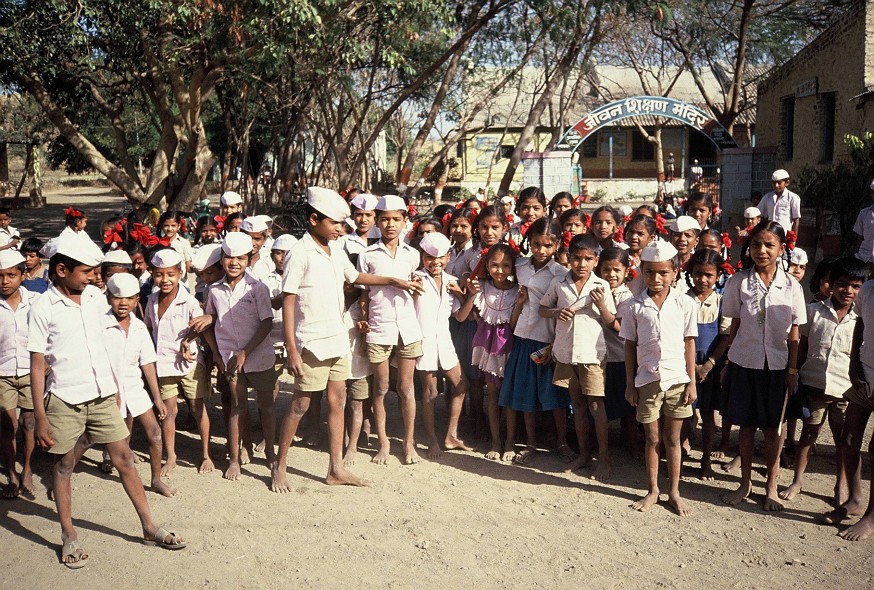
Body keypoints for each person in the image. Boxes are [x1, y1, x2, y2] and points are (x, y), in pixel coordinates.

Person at [28, 236, 186, 568]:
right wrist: (40, 416)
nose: (92, 278)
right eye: (86, 272)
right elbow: (38, 364)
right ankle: (69, 535)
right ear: (61, 270)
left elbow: (113, 336)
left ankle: (148, 526)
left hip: (101, 395)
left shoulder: (94, 299)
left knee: (125, 459)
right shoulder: (43, 307)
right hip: (65, 398)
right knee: (64, 465)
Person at [272, 187, 422, 492]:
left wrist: (394, 280)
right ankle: (280, 464)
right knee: (300, 404)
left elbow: (355, 278)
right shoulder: (299, 253)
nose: (342, 229)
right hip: (311, 341)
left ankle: (335, 469)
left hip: (337, 337)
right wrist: (292, 349)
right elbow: (288, 301)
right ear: (314, 219)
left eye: (343, 224)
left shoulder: (335, 249)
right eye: (336, 224)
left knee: (338, 401)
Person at [721, 220, 806, 511]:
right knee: (745, 427)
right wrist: (729, 360)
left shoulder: (791, 286)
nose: (762, 250)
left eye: (770, 245)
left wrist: (792, 371)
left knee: (773, 430)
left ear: (782, 249)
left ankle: (770, 486)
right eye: (756, 244)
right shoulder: (738, 282)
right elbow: (734, 323)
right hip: (745, 363)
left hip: (778, 366)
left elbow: (795, 333)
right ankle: (745, 483)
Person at [779, 257, 865, 505]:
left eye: (855, 286)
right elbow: (802, 345)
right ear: (831, 284)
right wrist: (793, 373)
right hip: (814, 384)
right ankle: (797, 481)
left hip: (845, 390)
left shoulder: (861, 319)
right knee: (809, 435)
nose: (848, 291)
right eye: (842, 284)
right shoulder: (814, 311)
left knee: (843, 441)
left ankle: (841, 486)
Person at [620, 240, 697, 516]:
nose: (656, 278)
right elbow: (630, 345)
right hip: (647, 379)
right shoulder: (633, 306)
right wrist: (630, 383)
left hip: (677, 378)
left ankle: (674, 491)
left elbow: (689, 343)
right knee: (652, 437)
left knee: (673, 439)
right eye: (650, 272)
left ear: (674, 272)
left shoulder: (685, 303)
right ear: (642, 271)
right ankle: (653, 489)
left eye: (663, 272)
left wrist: (692, 381)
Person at [202, 233, 277, 481]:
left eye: (241, 258)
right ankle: (235, 459)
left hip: (260, 356)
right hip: (230, 357)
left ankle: (270, 452)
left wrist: (247, 351)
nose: (234, 263)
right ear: (222, 259)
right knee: (237, 407)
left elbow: (266, 323)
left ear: (249, 259)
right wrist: (207, 319)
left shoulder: (258, 289)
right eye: (229, 258)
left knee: (266, 406)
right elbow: (215, 316)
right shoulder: (214, 290)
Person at [541, 234, 616, 480]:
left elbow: (611, 321)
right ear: (568, 258)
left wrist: (601, 305)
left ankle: (603, 458)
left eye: (587, 259)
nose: (581, 264)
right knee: (578, 405)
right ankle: (584, 454)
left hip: (591, 353)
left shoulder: (601, 286)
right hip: (565, 352)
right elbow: (543, 309)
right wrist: (556, 312)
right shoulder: (559, 282)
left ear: (596, 261)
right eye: (576, 258)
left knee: (596, 405)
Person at [357, 195, 424, 465]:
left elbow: (415, 292)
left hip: (407, 328)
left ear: (405, 222)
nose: (390, 225)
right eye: (385, 220)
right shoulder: (367, 255)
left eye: (396, 219)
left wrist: (416, 286)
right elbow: (362, 293)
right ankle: (383, 443)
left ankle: (408, 443)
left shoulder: (413, 255)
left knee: (406, 387)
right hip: (379, 327)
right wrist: (363, 320)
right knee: (382, 386)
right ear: (377, 222)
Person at [499, 218, 570, 466]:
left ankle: (561, 441)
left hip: (547, 341)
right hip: (522, 337)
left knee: (555, 397)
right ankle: (530, 443)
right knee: (526, 394)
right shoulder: (519, 266)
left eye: (547, 245)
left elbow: (564, 311)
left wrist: (555, 345)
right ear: (529, 242)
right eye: (536, 243)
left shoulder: (561, 274)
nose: (541, 250)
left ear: (557, 245)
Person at [102, 273, 175, 497]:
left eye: (129, 298)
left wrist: (157, 398)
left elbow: (148, 363)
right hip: (107, 389)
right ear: (108, 297)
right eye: (117, 298)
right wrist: (110, 389)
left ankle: (155, 480)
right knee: (98, 437)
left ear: (136, 300)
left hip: (134, 387)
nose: (123, 303)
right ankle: (65, 471)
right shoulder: (100, 326)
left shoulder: (140, 327)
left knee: (154, 432)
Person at [143, 248, 213, 476]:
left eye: (171, 274)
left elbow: (202, 328)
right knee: (168, 411)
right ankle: (171, 455)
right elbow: (149, 329)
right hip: (163, 365)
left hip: (189, 364)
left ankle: (205, 454)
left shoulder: (189, 302)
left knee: (196, 408)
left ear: (180, 273)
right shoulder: (151, 301)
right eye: (159, 275)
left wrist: (188, 340)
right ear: (152, 274)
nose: (165, 280)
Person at [457, 243, 518, 461]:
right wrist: (471, 295)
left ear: (513, 267)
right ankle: (495, 441)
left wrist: (519, 304)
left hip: (509, 348)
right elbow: (461, 317)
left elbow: (514, 325)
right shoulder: (481, 288)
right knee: (491, 394)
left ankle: (510, 442)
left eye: (505, 265)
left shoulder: (518, 291)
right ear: (486, 265)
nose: (499, 270)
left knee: (509, 397)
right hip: (487, 348)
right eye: (494, 265)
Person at [414, 232, 471, 458]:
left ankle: (450, 435)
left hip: (444, 341)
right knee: (430, 393)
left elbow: (460, 317)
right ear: (422, 256)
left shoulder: (450, 282)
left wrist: (468, 296)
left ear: (448, 258)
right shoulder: (416, 278)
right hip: (423, 341)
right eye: (429, 257)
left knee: (461, 384)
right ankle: (431, 440)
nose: (435, 263)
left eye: (440, 258)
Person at [685, 249, 731, 480]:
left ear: (718, 276)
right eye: (698, 274)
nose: (703, 280)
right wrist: (692, 366)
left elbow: (725, 336)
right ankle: (678, 453)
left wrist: (708, 364)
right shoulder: (683, 300)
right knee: (683, 412)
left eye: (709, 275)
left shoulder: (722, 302)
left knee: (708, 415)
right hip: (686, 366)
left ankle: (704, 461)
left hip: (710, 367)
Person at [0, 250, 37, 498]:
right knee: (7, 424)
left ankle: (28, 469)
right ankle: (12, 473)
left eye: (11, 275)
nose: (5, 281)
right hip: (2, 373)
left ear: (23, 275)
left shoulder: (36, 302)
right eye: (0, 276)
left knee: (29, 423)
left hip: (30, 370)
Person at [596, 247, 638, 457]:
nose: (611, 275)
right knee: (598, 401)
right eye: (606, 269)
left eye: (616, 270)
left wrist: (602, 307)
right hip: (598, 355)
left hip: (620, 355)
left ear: (625, 271)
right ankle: (598, 442)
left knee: (627, 405)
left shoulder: (626, 296)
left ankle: (630, 442)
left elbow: (618, 326)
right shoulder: (595, 288)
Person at [624, 215, 658, 295]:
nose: (634, 237)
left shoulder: (654, 260)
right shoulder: (621, 257)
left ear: (651, 238)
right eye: (631, 232)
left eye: (640, 234)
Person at [760, 169, 801, 234]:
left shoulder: (793, 197)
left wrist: (793, 240)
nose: (776, 185)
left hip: (785, 234)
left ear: (787, 182)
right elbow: (758, 213)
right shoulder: (767, 197)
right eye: (774, 183)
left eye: (779, 183)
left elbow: (796, 219)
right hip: (770, 234)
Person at [340, 193, 380, 261]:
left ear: (376, 217)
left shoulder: (382, 239)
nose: (363, 220)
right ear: (353, 216)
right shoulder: (344, 241)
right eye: (359, 215)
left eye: (368, 215)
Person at [157, 211, 193, 276]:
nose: (170, 229)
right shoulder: (158, 243)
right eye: (166, 225)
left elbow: (188, 266)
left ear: (179, 226)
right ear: (161, 226)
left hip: (181, 281)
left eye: (173, 226)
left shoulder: (184, 243)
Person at [240, 217, 274, 282]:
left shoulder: (270, 262)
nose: (252, 243)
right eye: (248, 238)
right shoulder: (233, 263)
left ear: (264, 240)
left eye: (257, 239)